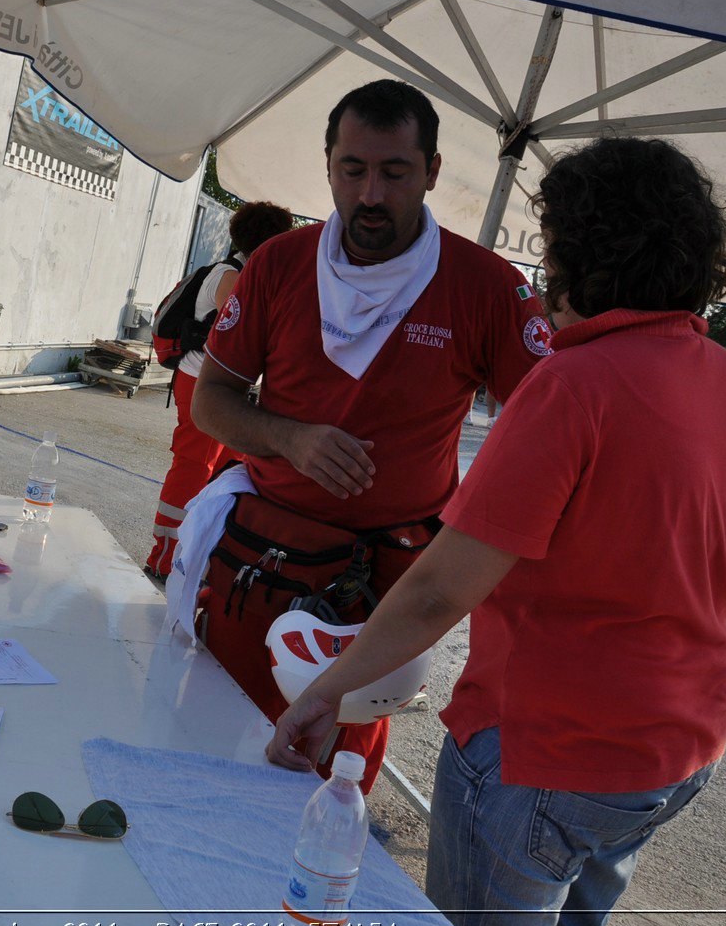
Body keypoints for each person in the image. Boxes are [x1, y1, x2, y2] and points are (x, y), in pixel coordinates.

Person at [266, 136, 726, 926]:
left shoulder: (573, 385)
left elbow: (441, 588)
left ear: (579, 253)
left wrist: (326, 692)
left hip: (548, 750)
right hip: (675, 751)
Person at [178, 80, 552, 793]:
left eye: (394, 172)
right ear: (328, 165)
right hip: (258, 567)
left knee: (326, 790)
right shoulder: (280, 264)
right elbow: (212, 405)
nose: (370, 194)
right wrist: (290, 438)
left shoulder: (487, 288)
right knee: (211, 759)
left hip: (378, 598)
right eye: (353, 170)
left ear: (433, 172)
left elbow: (551, 426)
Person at [145, 200, 294, 580]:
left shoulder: (245, 273)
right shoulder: (231, 277)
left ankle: (204, 556)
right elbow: (252, 333)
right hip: (203, 385)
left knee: (232, 471)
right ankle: (165, 557)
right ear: (268, 242)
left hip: (227, 391)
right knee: (195, 466)